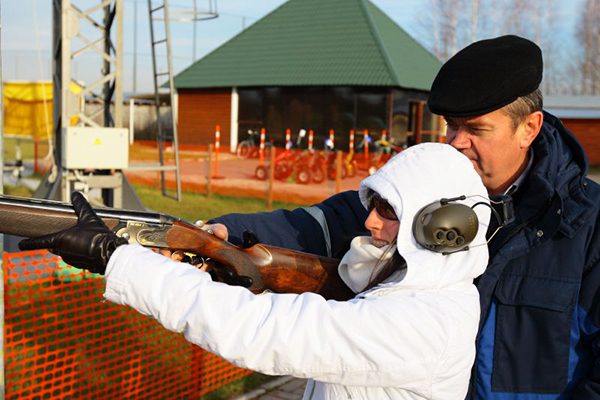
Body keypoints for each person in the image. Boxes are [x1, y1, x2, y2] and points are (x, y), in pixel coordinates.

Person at [205, 35, 600, 399]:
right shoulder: (421, 191)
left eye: (476, 129)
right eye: (452, 126)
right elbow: (318, 225)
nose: (457, 143)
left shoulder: (591, 223)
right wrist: (224, 234)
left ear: (528, 128)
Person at [20, 143, 492, 399]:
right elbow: (330, 287)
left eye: (390, 212)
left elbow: (264, 333)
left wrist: (118, 259)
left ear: (440, 229)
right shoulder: (404, 283)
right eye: (375, 205)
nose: (369, 221)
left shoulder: (428, 320)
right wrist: (219, 268)